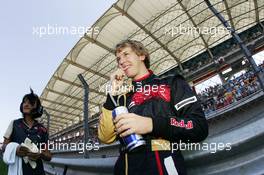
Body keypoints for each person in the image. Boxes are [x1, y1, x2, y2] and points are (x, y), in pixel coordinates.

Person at [98, 40, 208, 175]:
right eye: (118, 59)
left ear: (141, 55)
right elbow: (105, 137)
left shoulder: (171, 82)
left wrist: (152, 124)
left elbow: (198, 126)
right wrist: (112, 92)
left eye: (126, 54)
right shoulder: (122, 98)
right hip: (126, 167)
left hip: (165, 164)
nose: (121, 61)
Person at [2, 89, 52, 175]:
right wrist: (15, 149)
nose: (26, 104)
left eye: (31, 103)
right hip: (19, 170)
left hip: (38, 171)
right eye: (24, 102)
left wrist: (40, 154)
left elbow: (48, 155)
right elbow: (4, 147)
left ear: (37, 107)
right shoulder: (14, 123)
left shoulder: (43, 129)